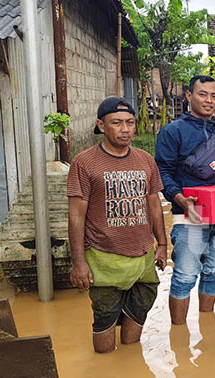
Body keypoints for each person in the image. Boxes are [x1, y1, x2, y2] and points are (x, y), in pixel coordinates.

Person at [67, 97, 166, 353]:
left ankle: (128, 365)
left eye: (130, 123)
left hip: (143, 256)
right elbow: (76, 216)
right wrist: (78, 263)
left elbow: (154, 204)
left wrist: (163, 244)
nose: (125, 129)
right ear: (101, 125)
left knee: (141, 307)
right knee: (104, 319)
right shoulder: (85, 162)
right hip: (103, 258)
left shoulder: (145, 160)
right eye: (117, 123)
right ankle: (104, 369)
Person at [155, 75, 215, 325]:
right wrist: (179, 198)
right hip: (189, 216)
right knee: (184, 275)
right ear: (188, 96)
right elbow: (162, 172)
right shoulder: (172, 132)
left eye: (214, 96)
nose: (209, 100)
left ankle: (207, 326)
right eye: (202, 94)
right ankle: (179, 334)